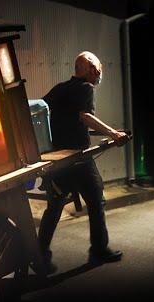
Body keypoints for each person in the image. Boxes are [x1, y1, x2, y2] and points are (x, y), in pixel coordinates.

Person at [38, 51, 129, 274]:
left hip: (57, 160)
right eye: (98, 68)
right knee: (96, 200)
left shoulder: (60, 88)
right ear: (91, 69)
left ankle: (39, 257)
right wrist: (113, 134)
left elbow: (55, 117)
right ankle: (99, 249)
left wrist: (107, 132)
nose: (99, 73)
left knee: (55, 207)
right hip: (78, 159)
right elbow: (84, 116)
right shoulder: (86, 88)